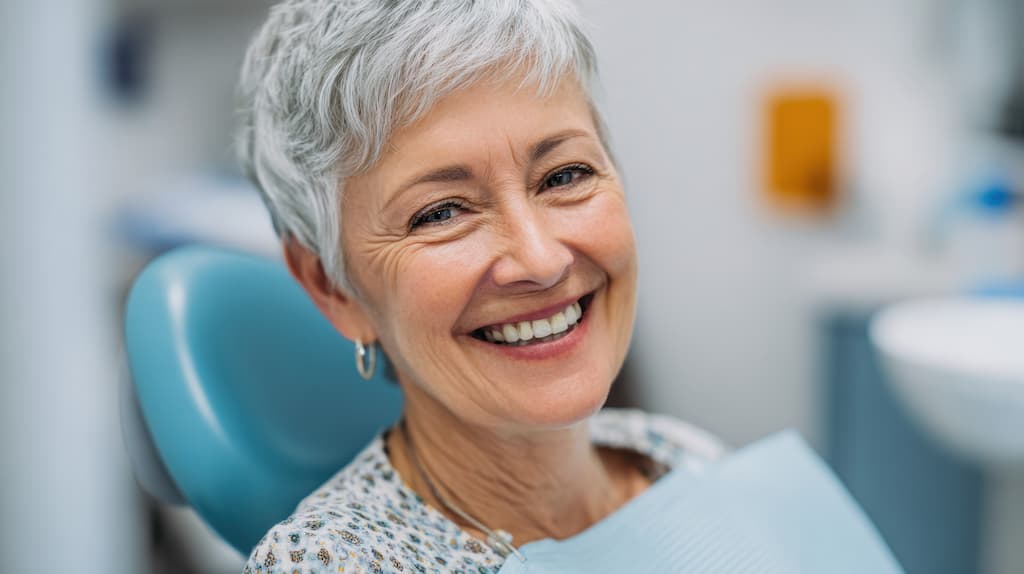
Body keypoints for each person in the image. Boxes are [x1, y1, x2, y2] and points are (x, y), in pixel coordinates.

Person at [237, 1, 724, 572]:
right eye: (441, 213)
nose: (540, 260)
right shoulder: (332, 562)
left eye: (565, 176)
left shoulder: (680, 456)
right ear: (333, 288)